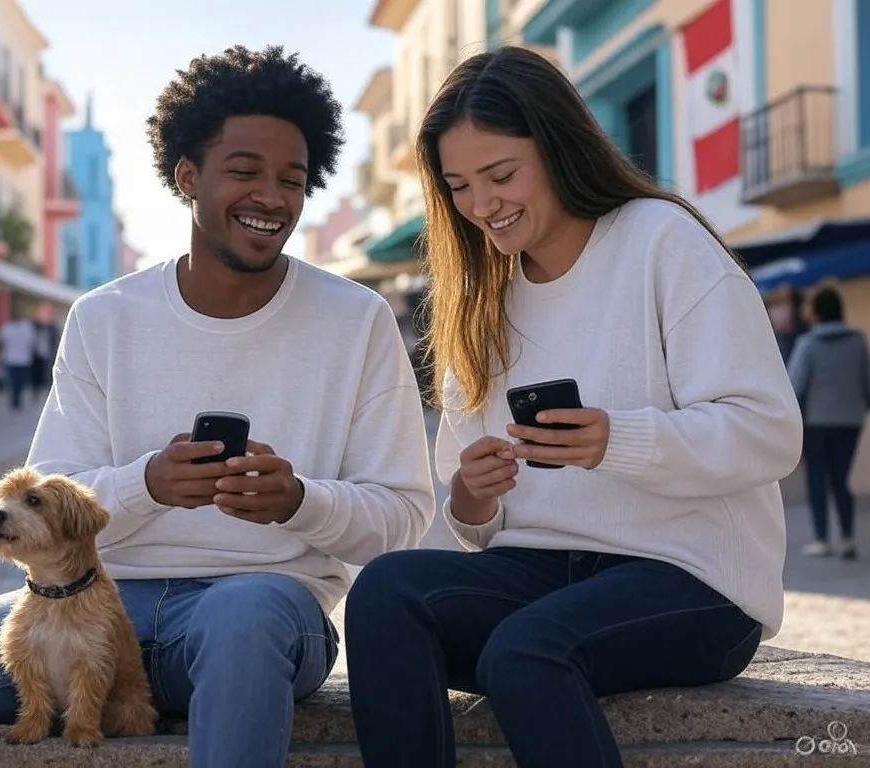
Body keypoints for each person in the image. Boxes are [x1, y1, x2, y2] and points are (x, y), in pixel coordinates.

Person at [0, 45, 434, 768]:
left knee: (246, 618)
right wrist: (147, 484)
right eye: (246, 172)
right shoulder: (105, 317)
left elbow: (405, 517)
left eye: (292, 179)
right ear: (187, 176)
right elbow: (45, 496)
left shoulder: (357, 318)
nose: (273, 197)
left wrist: (297, 502)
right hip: (90, 602)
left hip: (262, 607)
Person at [344, 45, 804, 768]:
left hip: (693, 578)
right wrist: (471, 494)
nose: (481, 204)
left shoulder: (661, 242)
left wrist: (614, 440)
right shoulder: (477, 294)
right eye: (460, 185)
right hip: (541, 570)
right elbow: (473, 521)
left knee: (526, 654)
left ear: (557, 148)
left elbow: (769, 433)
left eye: (500, 175)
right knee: (386, 591)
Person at [787, 285, 868, 560]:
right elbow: (866, 381)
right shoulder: (858, 340)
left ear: (817, 312)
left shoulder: (807, 344)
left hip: (816, 421)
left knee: (816, 479)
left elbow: (794, 385)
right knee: (840, 479)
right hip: (850, 420)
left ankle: (821, 539)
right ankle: (847, 538)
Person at [0, 311, 36, 410]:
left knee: (16, 381)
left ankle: (15, 398)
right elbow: (32, 341)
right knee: (17, 381)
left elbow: (1, 340)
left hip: (16, 359)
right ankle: (16, 399)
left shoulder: (21, 327)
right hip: (17, 359)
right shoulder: (13, 327)